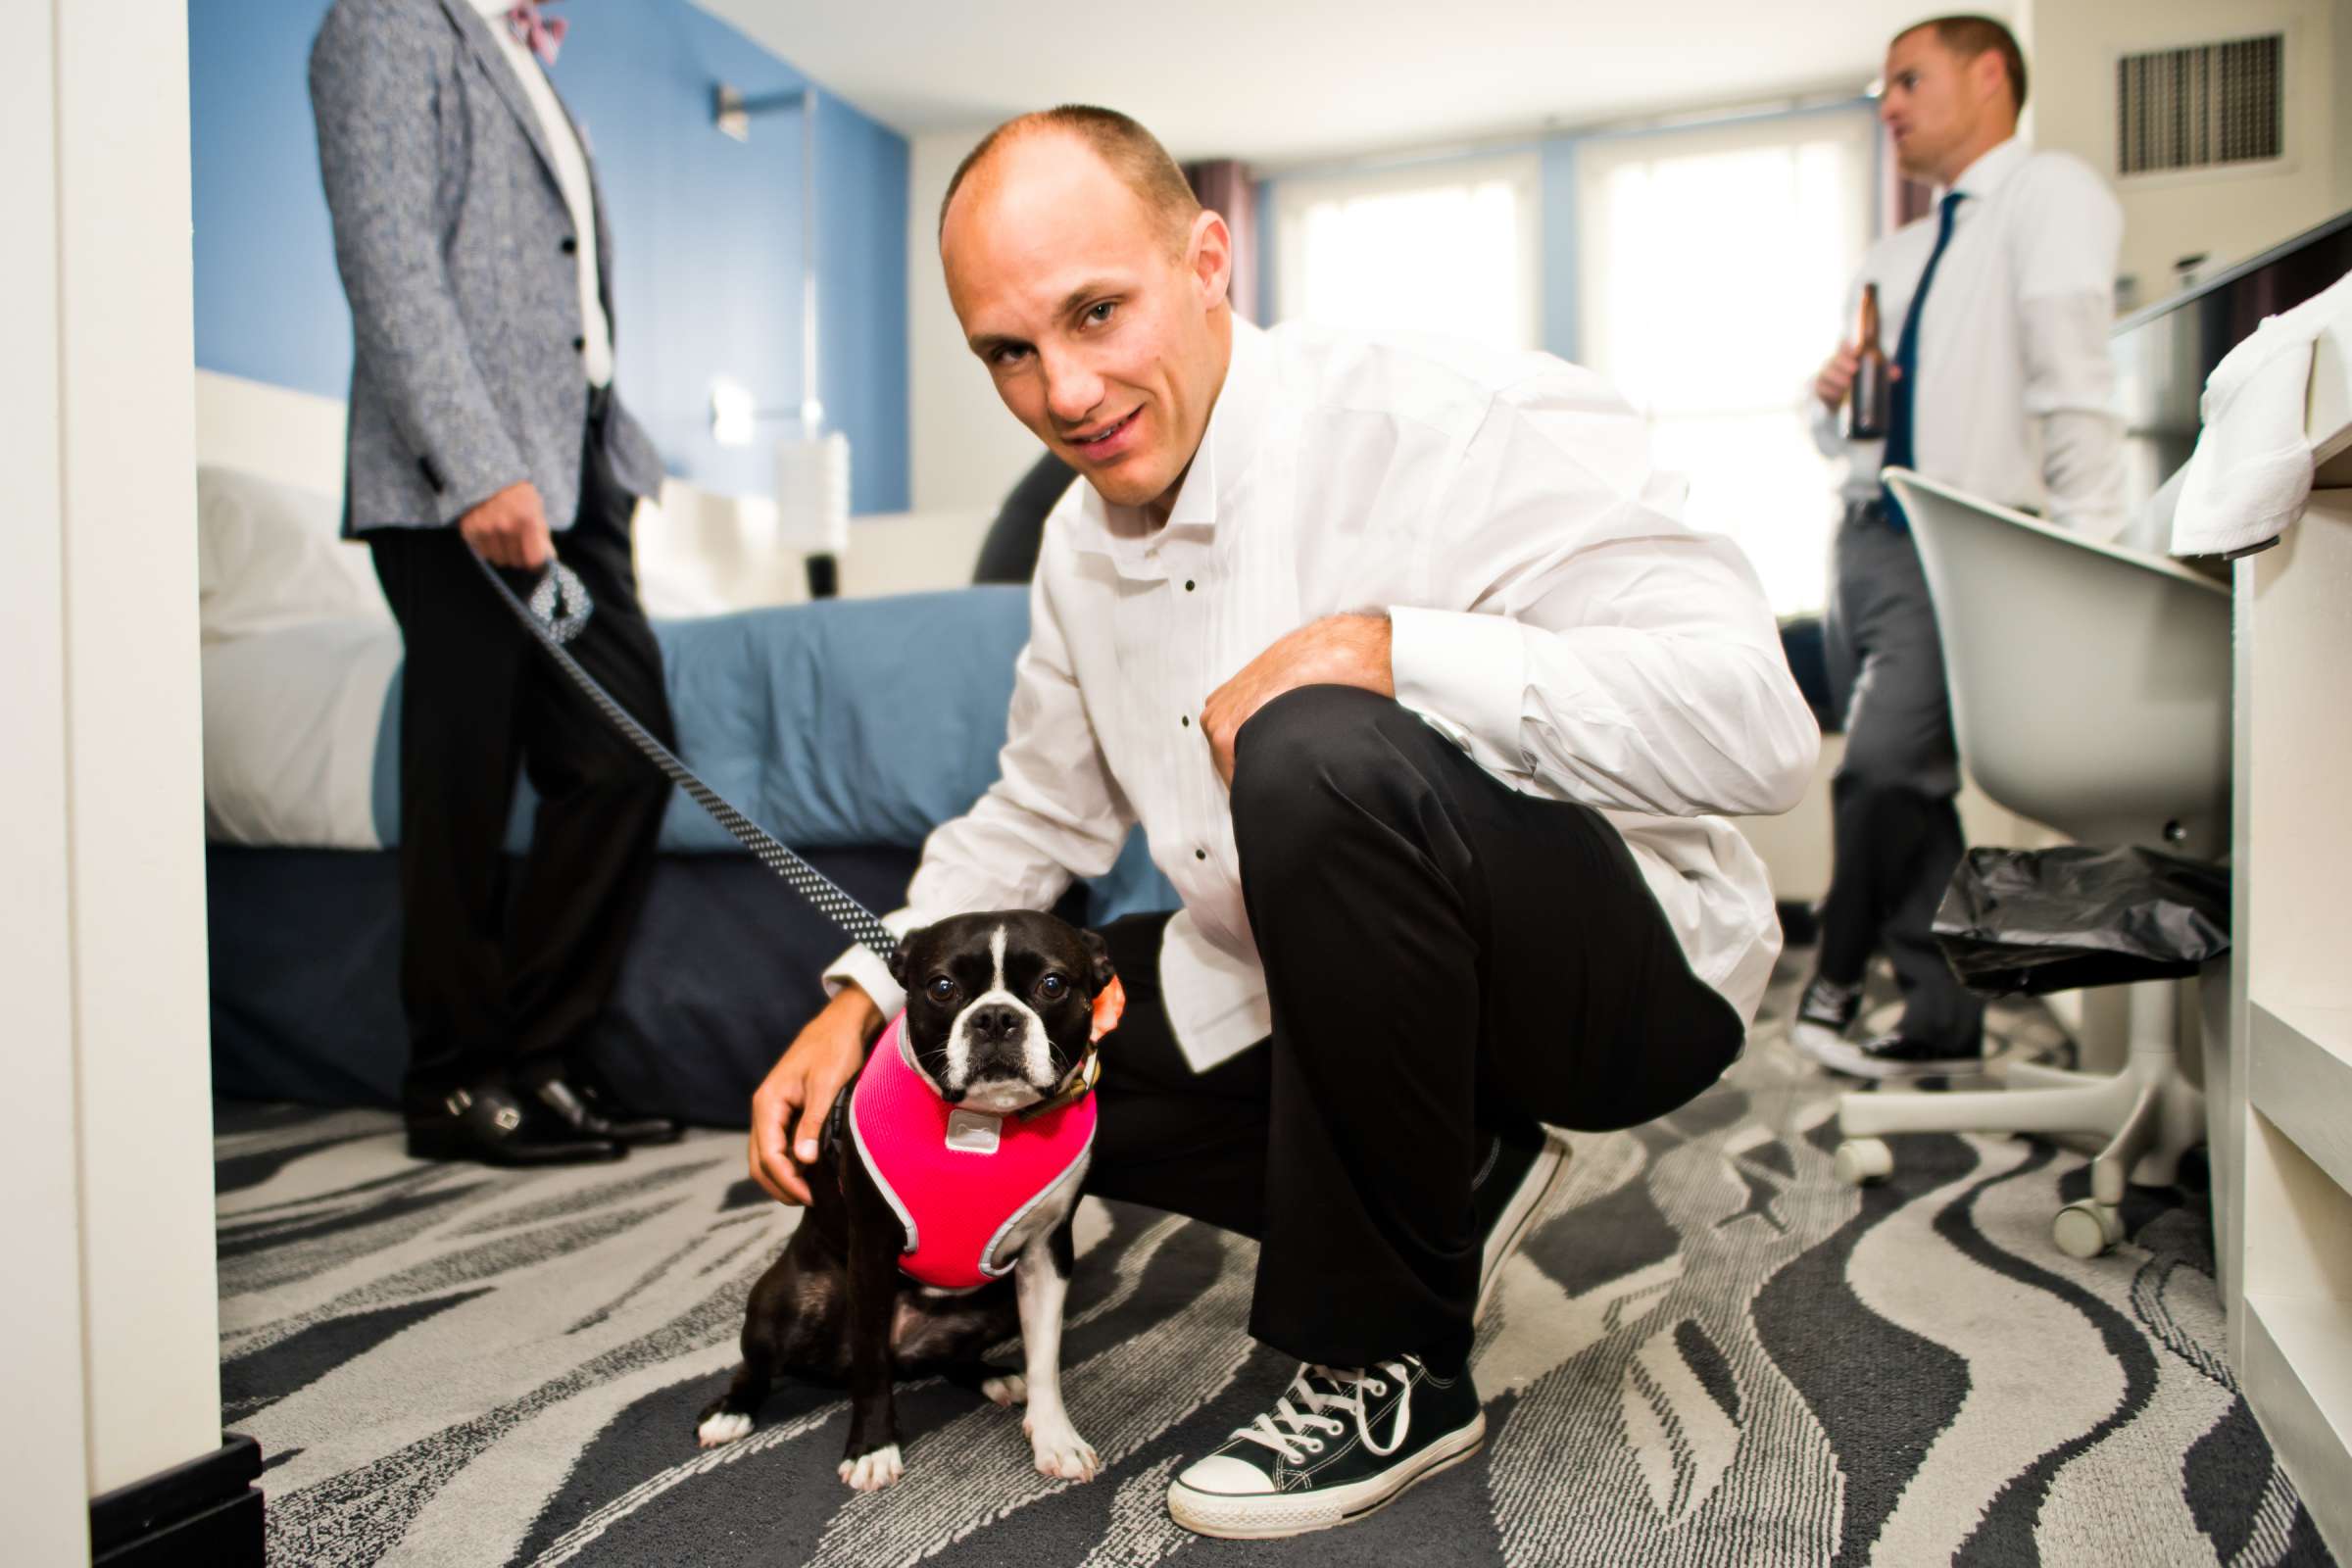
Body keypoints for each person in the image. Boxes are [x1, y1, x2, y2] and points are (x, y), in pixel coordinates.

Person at [747, 106, 1816, 1537]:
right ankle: (1457, 1178)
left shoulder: (1440, 420)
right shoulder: (1076, 544)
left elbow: (1759, 724)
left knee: (1314, 745)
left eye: (1098, 312)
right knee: (1009, 1063)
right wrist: (861, 1001)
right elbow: (1038, 811)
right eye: (1010, 351)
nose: (1064, 390)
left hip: (1624, 974)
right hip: (1290, 974)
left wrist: (1392, 650)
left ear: (1207, 260)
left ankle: (1390, 1357)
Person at [311, 0, 682, 1164]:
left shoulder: (518, 51)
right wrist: (478, 467)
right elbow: (390, 259)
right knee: (462, 774)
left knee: (622, 752)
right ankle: (456, 1078)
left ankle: (546, 1055)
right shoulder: (385, 23)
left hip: (575, 469)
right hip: (462, 478)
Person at [1793, 14, 2126, 1080]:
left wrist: (2094, 566)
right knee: (1916, 785)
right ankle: (1938, 1018)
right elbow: (1847, 431)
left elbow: (2075, 386)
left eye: (1907, 79)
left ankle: (1833, 980)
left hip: (1952, 544)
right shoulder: (1891, 252)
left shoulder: (2049, 198)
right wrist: (1829, 400)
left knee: (1885, 767)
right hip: (1861, 541)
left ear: (1990, 75)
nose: (1885, 104)